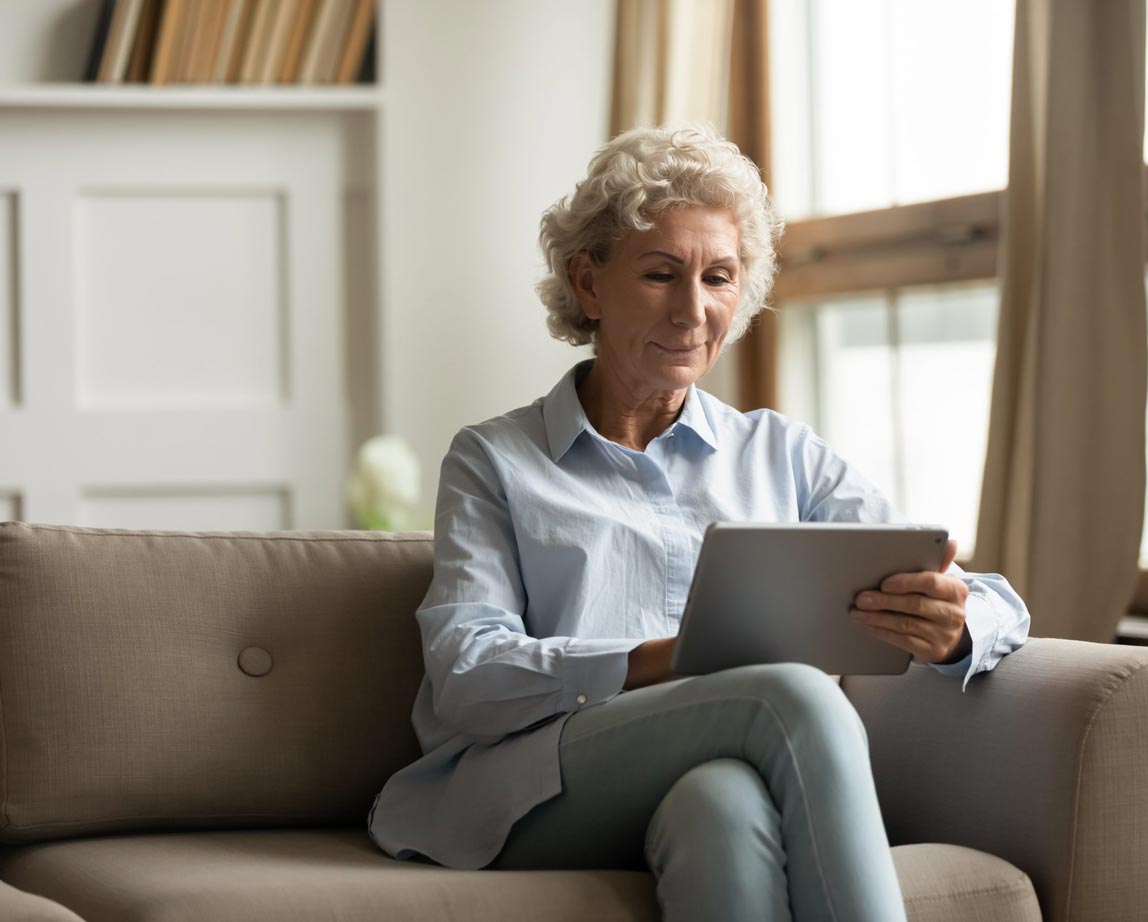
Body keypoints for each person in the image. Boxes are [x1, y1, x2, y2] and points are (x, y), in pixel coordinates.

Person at [367, 124, 1030, 921]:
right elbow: (468, 676)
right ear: (588, 283)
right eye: (660, 274)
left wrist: (956, 626)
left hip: (713, 768)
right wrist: (667, 659)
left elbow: (993, 600)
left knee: (723, 807)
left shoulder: (781, 453)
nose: (693, 310)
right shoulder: (494, 459)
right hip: (547, 783)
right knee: (789, 695)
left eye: (718, 278)